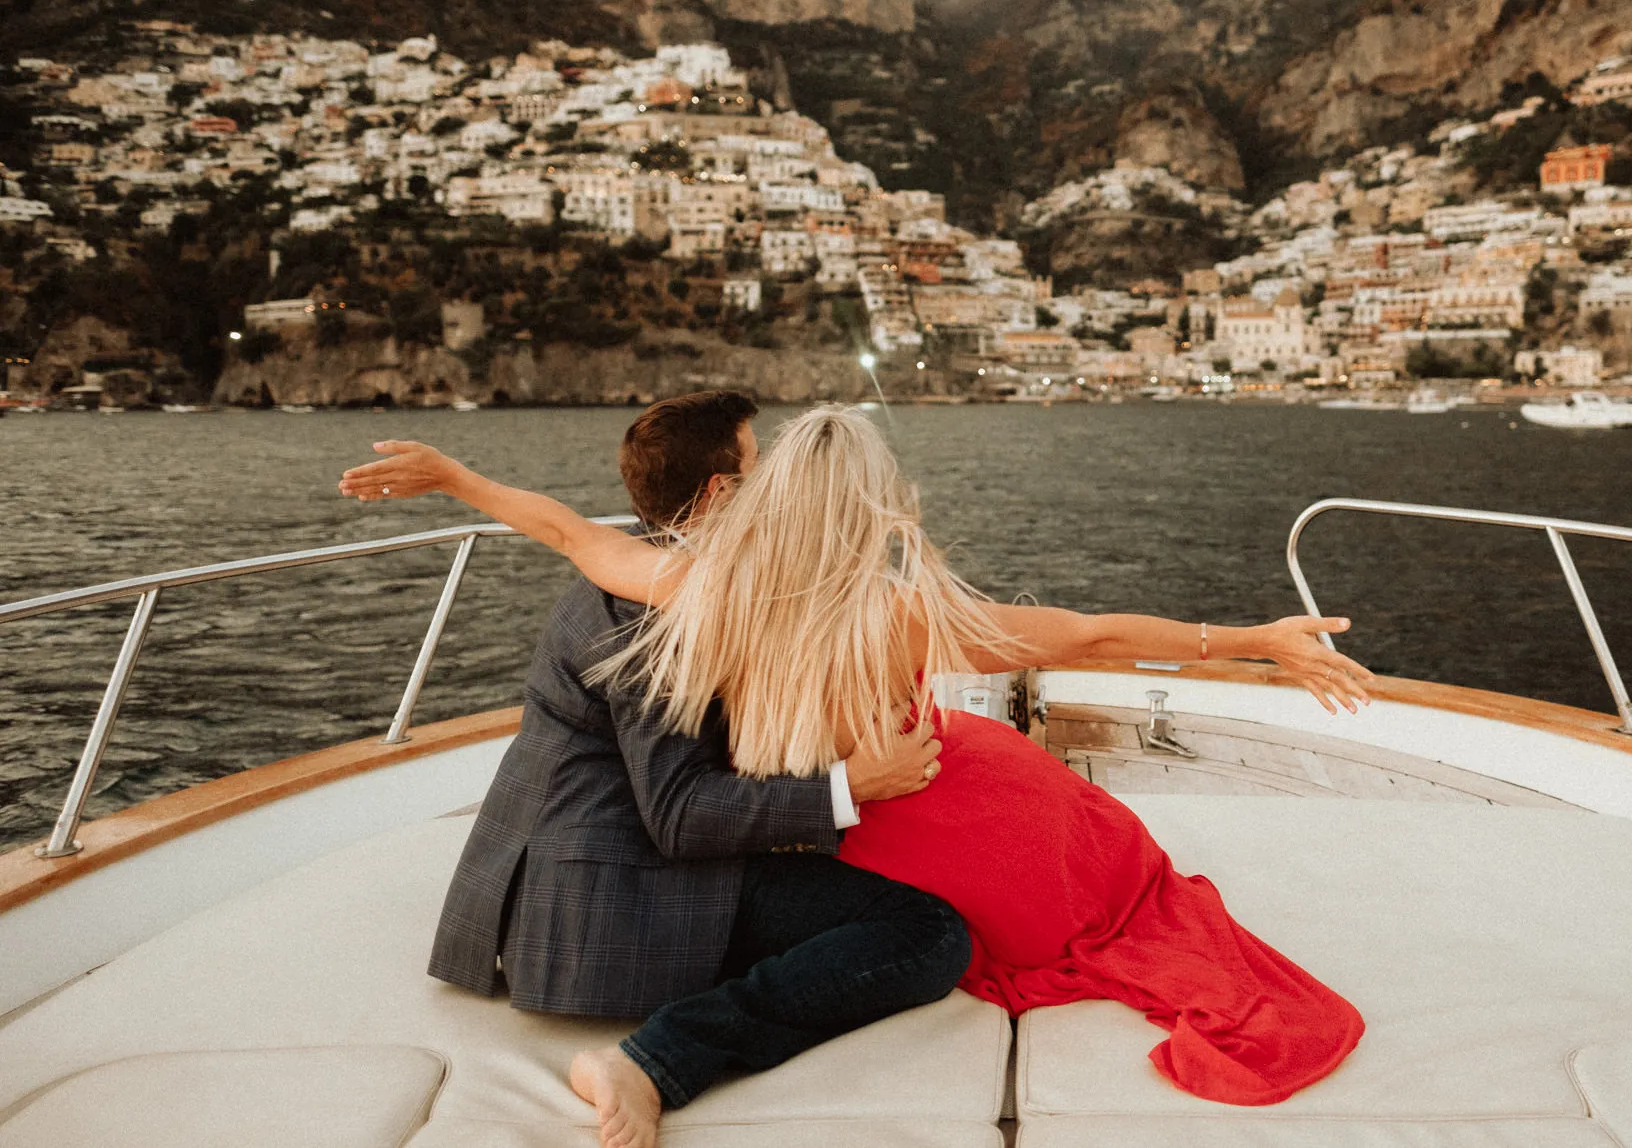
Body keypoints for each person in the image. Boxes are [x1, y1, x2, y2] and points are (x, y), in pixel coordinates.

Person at [342, 406, 1374, 1148]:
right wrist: (1250, 641)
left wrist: (460, 479)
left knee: (972, 887)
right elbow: (1090, 632)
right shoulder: (896, 614)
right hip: (910, 810)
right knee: (1001, 910)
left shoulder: (698, 586)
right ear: (870, 507)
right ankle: (667, 1058)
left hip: (844, 815)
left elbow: (568, 531)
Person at [421, 392, 971, 1148]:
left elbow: (561, 526)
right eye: (760, 469)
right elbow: (679, 815)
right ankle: (656, 1059)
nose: (776, 488)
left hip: (569, 868)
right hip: (603, 902)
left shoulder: (650, 567)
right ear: (720, 492)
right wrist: (852, 784)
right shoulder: (652, 612)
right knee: (926, 932)